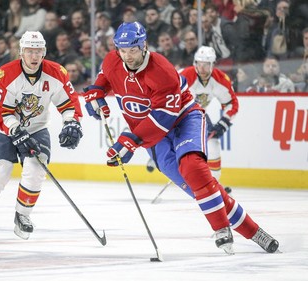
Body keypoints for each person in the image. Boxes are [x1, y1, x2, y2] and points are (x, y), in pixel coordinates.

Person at [83, 21, 279, 254]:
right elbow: (105, 78)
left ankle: (221, 228)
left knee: (193, 168)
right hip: (150, 135)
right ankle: (255, 232)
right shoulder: (113, 59)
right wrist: (96, 93)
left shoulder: (161, 70)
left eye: (132, 50)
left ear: (144, 45)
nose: (127, 56)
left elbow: (163, 118)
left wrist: (130, 139)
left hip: (184, 119)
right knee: (201, 188)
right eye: (122, 50)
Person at [0, 31, 83, 240]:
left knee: (36, 167)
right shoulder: (5, 74)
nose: (34, 56)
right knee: (1, 171)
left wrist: (71, 122)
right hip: (2, 129)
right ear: (21, 52)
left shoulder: (57, 73)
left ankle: (22, 216)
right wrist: (15, 130)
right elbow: (1, 111)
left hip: (36, 127)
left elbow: (69, 103)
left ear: (44, 53)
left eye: (38, 52)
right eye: (29, 51)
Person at [180, 46, 238, 194]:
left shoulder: (220, 80)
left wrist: (224, 122)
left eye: (206, 64)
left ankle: (214, 184)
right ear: (195, 63)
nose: (202, 68)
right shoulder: (185, 76)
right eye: (199, 63)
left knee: (212, 142)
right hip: (177, 114)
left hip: (198, 114)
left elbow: (231, 103)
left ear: (212, 65)